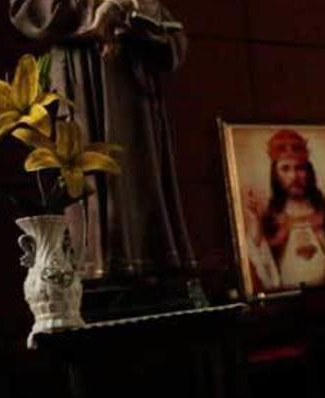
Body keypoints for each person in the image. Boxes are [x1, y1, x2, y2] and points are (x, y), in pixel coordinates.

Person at [11, 0, 196, 278]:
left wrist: (127, 11)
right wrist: (95, 9)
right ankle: (105, 267)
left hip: (135, 84)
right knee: (93, 176)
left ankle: (155, 260)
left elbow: (170, 35)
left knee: (140, 168)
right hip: (83, 77)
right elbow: (32, 10)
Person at [243, 129, 325, 292]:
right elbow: (260, 266)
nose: (294, 176)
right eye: (285, 169)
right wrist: (254, 222)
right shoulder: (269, 219)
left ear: (309, 172)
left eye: (300, 168)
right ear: (275, 174)